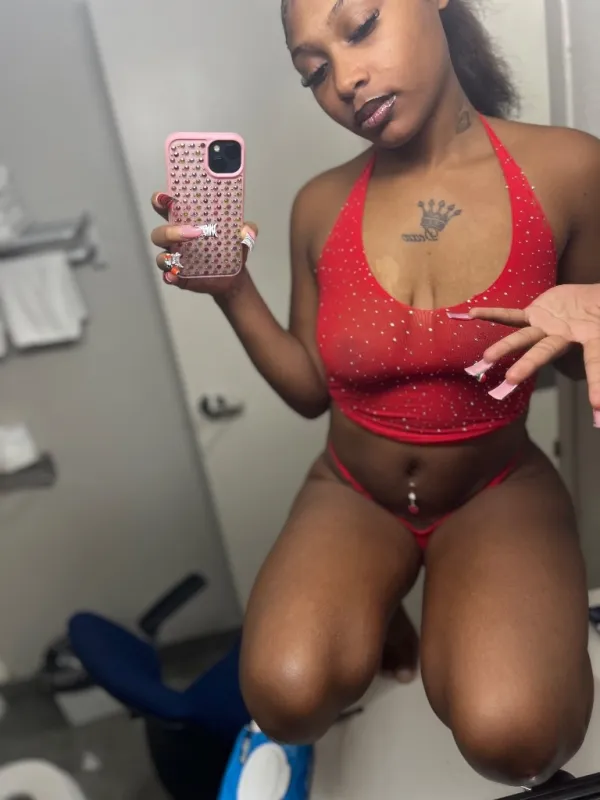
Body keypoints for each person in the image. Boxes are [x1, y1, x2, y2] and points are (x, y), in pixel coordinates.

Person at [151, 0, 600, 789]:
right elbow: (310, 392)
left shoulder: (569, 169)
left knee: (518, 738)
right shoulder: (319, 206)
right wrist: (230, 289)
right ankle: (377, 598)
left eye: (360, 27)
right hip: (354, 491)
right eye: (314, 73)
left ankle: (435, 598)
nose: (345, 80)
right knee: (285, 698)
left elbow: (572, 365)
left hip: (495, 487)